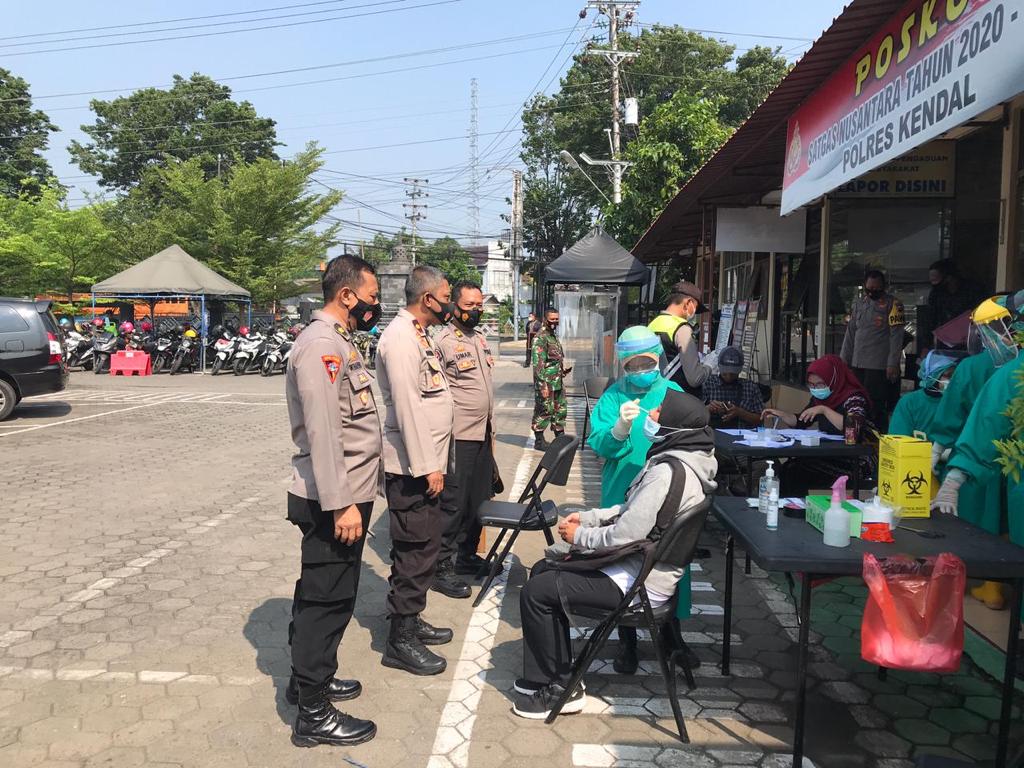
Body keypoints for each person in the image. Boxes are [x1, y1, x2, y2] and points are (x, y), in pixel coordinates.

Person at [512, 389, 718, 719]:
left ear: (675, 425)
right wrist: (590, 517)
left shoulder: (667, 472)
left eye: (659, 411)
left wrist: (580, 535)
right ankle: (546, 675)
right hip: (644, 569)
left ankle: (562, 689)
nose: (652, 414)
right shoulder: (690, 462)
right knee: (542, 571)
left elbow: (626, 534)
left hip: (640, 582)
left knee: (537, 591)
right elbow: (633, 510)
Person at [284, 255, 381, 748]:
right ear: (347, 295)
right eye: (371, 297)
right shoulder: (323, 344)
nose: (374, 305)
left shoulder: (338, 340)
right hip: (333, 499)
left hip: (345, 492)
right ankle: (314, 713)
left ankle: (306, 682)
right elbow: (324, 432)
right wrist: (341, 504)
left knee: (324, 594)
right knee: (327, 601)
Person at [586, 327, 685, 673]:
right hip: (622, 488)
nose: (641, 369)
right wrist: (618, 430)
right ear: (623, 364)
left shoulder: (673, 393)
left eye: (646, 362)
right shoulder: (613, 397)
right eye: (633, 364)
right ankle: (626, 640)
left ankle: (672, 636)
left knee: (670, 557)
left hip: (668, 490)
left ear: (658, 358)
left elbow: (693, 435)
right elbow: (598, 442)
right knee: (622, 559)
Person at [376, 265, 457, 676]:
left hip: (424, 465)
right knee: (414, 551)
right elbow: (408, 408)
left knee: (423, 549)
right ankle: (400, 640)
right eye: (445, 297)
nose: (449, 303)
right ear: (428, 299)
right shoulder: (401, 339)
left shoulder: (419, 334)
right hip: (412, 469)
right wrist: (428, 467)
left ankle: (411, 618)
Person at [934, 292, 1024, 611]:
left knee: (986, 529)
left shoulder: (1011, 372)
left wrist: (953, 477)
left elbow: (985, 425)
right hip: (1001, 468)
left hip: (993, 468)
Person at [434, 280, 495, 594]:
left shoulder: (479, 338)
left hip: (483, 432)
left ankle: (467, 555)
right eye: (469, 305)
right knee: (454, 503)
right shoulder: (442, 341)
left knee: (478, 500)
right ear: (454, 306)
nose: (476, 311)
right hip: (458, 436)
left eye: (479, 305)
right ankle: (441, 565)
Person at [763, 355, 877, 496]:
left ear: (833, 380)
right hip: (831, 453)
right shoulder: (820, 398)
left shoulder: (854, 398)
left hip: (857, 458)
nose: (815, 389)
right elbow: (802, 420)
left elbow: (853, 430)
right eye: (811, 385)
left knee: (799, 472)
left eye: (820, 384)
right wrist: (782, 415)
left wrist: (825, 410)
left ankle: (800, 505)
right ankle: (788, 505)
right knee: (790, 469)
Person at [839, 269, 904, 430]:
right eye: (869, 289)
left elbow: (896, 336)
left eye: (877, 289)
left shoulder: (894, 304)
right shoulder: (859, 304)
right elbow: (850, 333)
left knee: (876, 404)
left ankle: (878, 436)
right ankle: (859, 433)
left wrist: (892, 363)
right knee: (857, 400)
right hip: (857, 362)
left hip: (878, 364)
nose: (872, 292)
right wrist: (843, 360)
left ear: (884, 287)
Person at [648, 280, 714, 396]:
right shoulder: (682, 329)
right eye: (695, 308)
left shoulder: (651, 325)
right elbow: (695, 378)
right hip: (679, 398)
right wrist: (709, 366)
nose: (694, 313)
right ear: (688, 303)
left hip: (655, 395)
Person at [888, 351, 959, 440]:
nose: (952, 380)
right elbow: (898, 438)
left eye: (954, 376)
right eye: (948, 376)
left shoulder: (955, 403)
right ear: (933, 376)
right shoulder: (909, 402)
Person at [919, 259, 985, 355]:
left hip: (971, 342)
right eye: (931, 281)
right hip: (945, 344)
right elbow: (930, 320)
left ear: (949, 277)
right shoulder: (936, 294)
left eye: (936, 280)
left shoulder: (973, 291)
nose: (934, 284)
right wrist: (926, 345)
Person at [531, 308, 570, 451]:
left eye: (556, 319)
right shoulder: (540, 337)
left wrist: (563, 370)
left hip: (557, 381)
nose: (555, 322)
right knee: (544, 410)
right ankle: (539, 441)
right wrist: (543, 386)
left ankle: (560, 439)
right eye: (552, 319)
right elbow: (538, 364)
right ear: (545, 319)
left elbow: (554, 359)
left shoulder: (552, 336)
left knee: (560, 409)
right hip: (546, 383)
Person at [702, 346, 765, 427]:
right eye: (725, 373)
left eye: (733, 374)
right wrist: (708, 408)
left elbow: (761, 419)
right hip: (711, 432)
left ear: (740, 370)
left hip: (742, 432)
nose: (728, 377)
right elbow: (692, 414)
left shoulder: (751, 388)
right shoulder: (707, 384)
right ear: (719, 367)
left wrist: (740, 413)